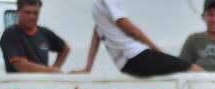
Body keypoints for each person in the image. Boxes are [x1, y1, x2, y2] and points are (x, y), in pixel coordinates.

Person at [75, 0, 203, 76]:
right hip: (135, 57)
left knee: (179, 70)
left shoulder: (96, 6)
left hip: (125, 65)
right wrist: (156, 49)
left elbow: (97, 33)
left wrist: (88, 68)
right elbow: (129, 28)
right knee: (195, 70)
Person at [0, 0, 70, 73]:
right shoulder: (11, 34)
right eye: (27, 12)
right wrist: (51, 71)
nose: (32, 17)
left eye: (35, 13)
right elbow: (21, 66)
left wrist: (56, 66)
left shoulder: (45, 32)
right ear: (18, 12)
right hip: (20, 83)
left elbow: (65, 49)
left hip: (43, 82)